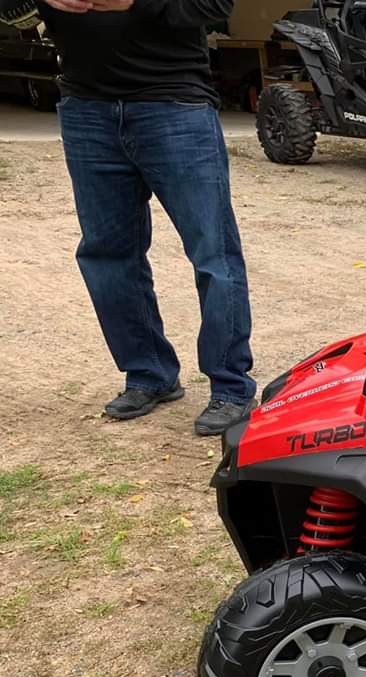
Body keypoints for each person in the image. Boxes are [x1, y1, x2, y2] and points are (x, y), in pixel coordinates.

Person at [39, 0, 256, 435]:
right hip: (86, 106)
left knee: (213, 251)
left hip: (174, 103)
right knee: (107, 254)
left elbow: (215, 5)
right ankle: (149, 373)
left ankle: (231, 386)